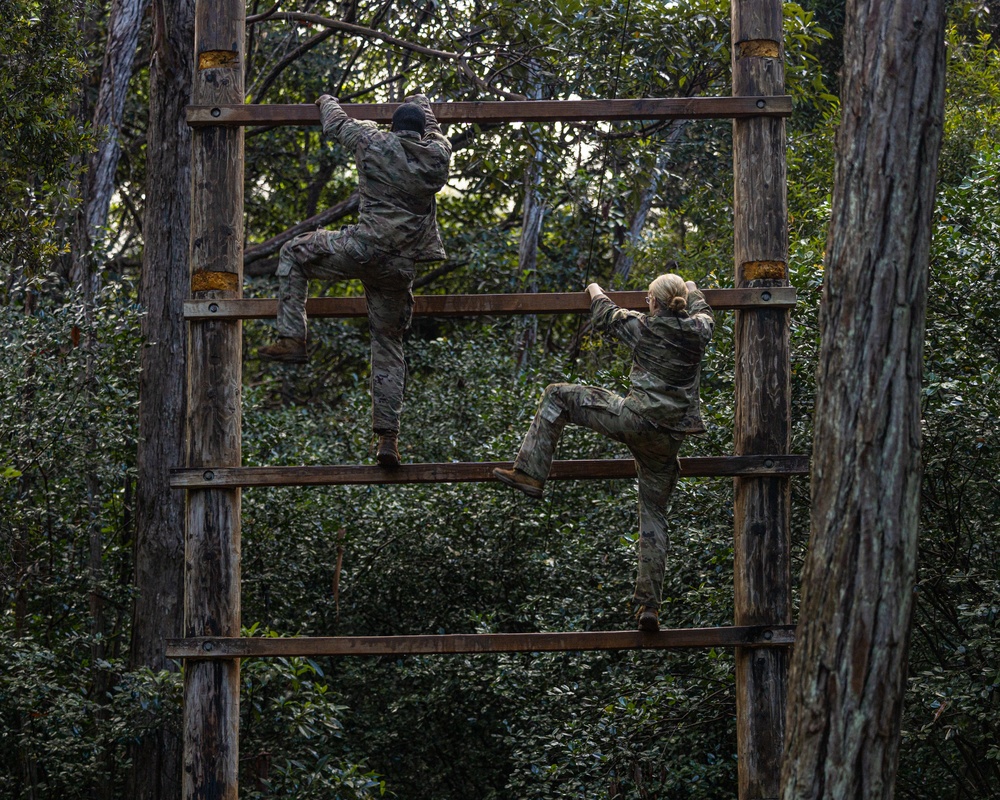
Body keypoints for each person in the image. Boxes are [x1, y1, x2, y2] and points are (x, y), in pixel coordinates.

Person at [493, 274, 714, 632]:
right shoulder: (700, 330)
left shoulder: (642, 327)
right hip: (671, 437)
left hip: (636, 419)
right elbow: (703, 309)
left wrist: (593, 287)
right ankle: (649, 607)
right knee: (654, 513)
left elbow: (604, 311)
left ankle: (531, 473)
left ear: (651, 301)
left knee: (557, 395)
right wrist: (690, 285)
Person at [260, 93, 452, 467]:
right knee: (388, 344)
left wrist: (326, 99)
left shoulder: (374, 141)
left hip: (361, 249)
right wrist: (422, 101)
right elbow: (434, 129)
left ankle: (291, 337)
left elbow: (335, 123)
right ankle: (388, 439)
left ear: (394, 129)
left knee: (293, 253)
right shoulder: (438, 156)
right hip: (399, 267)